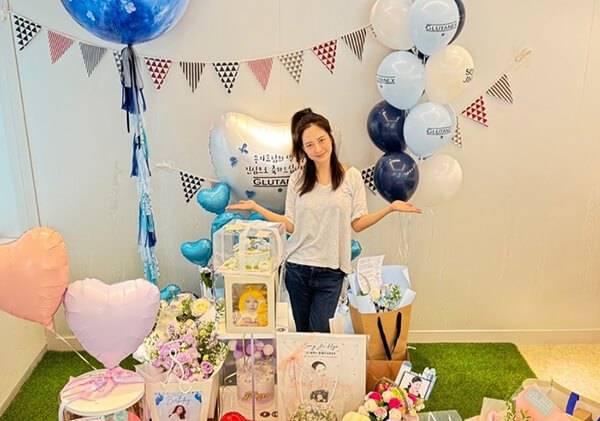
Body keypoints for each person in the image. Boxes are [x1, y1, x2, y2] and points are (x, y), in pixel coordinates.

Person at [227, 108, 421, 332]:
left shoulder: (351, 177)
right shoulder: (297, 179)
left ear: (330, 137)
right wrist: (256, 207)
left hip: (331, 272)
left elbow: (358, 223)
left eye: (321, 140)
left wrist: (389, 209)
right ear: (303, 149)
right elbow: (290, 225)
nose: (318, 149)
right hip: (297, 268)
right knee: (302, 334)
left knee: (319, 333)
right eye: (309, 145)